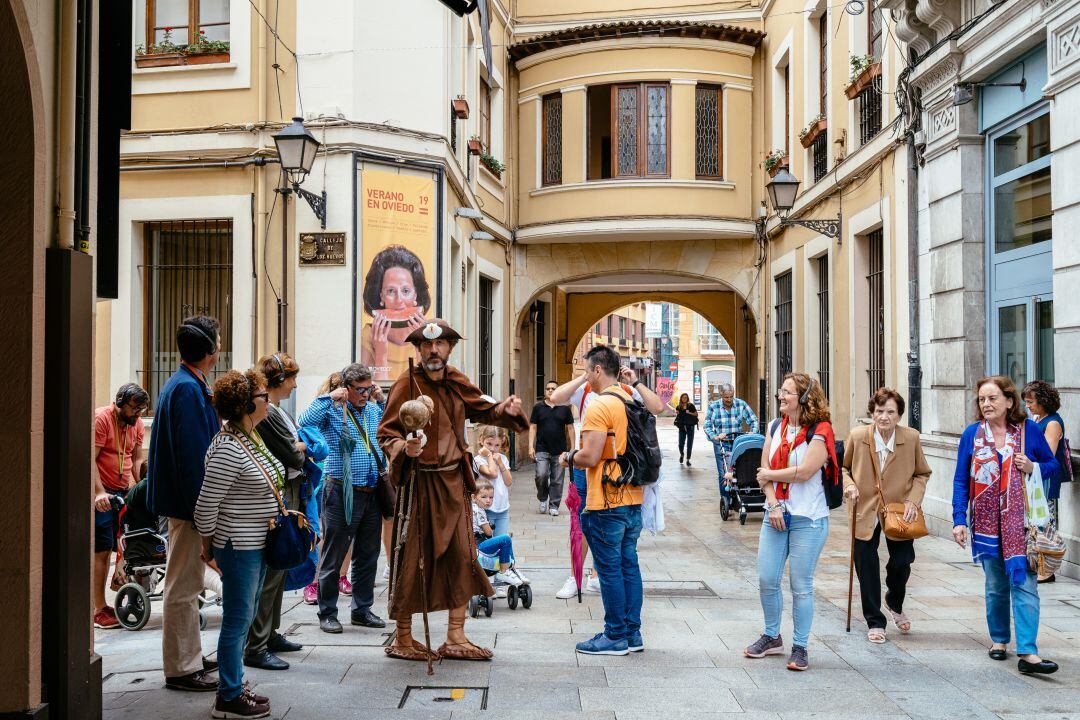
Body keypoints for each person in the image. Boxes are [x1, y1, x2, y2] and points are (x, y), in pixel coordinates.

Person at [378, 318, 529, 661]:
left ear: (449, 348)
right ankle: (403, 638)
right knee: (412, 557)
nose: (433, 350)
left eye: (441, 344)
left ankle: (456, 636)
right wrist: (405, 448)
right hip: (420, 485)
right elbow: (386, 434)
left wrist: (507, 410)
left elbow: (486, 408)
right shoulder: (407, 384)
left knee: (462, 555)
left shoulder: (457, 380)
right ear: (418, 349)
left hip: (453, 485)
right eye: (427, 345)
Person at [952, 375, 1060, 675]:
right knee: (996, 586)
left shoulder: (1029, 432)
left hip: (1021, 525)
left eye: (992, 398)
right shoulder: (971, 435)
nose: (986, 404)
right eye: (982, 399)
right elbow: (961, 480)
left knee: (1024, 584)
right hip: (985, 525)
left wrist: (1033, 466)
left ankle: (1028, 652)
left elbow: (1053, 465)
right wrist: (959, 519)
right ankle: (999, 639)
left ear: (1009, 401)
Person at [195, 369, 280, 719]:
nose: (268, 400)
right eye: (262, 396)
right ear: (247, 405)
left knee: (243, 618)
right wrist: (210, 548)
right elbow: (204, 507)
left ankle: (235, 684)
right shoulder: (229, 447)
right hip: (239, 545)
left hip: (255, 543)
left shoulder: (249, 437)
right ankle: (227, 696)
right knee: (236, 620)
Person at [148, 316, 223, 692]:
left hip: (183, 505)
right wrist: (205, 512)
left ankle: (189, 655)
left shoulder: (185, 384)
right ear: (211, 349)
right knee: (181, 587)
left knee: (189, 584)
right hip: (188, 507)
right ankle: (181, 667)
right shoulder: (188, 390)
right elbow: (196, 459)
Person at [744, 373, 838, 672]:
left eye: (787, 393)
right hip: (776, 514)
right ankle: (772, 637)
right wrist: (771, 503)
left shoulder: (821, 430)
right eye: (781, 392)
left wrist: (769, 475)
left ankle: (800, 646)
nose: (781, 397)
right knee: (767, 578)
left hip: (808, 517)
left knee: (801, 585)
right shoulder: (774, 426)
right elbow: (764, 468)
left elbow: (806, 471)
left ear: (804, 398)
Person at [549, 364, 664, 600]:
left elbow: (657, 407)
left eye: (590, 368)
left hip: (618, 469)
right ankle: (576, 576)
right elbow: (556, 397)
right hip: (585, 466)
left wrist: (636, 382)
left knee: (609, 526)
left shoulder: (626, 392)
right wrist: (583, 377)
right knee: (581, 522)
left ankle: (596, 575)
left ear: (600, 369)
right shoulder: (586, 391)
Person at [559, 345, 647, 656]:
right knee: (628, 566)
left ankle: (614, 636)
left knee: (610, 570)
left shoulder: (599, 406)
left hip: (606, 499)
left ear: (597, 370)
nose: (585, 376)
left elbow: (591, 455)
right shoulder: (629, 398)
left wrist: (568, 456)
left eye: (586, 370)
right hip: (633, 495)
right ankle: (632, 634)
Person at [298, 363, 387, 635]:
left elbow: (388, 429)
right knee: (334, 554)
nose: (365, 393)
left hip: (372, 492)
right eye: (360, 389)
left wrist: (382, 401)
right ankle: (327, 613)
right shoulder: (333, 410)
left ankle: (361, 610)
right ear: (346, 389)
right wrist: (329, 397)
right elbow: (304, 420)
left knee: (368, 554)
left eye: (369, 388)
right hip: (340, 491)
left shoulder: (372, 410)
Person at [842, 388, 931, 643]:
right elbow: (844, 468)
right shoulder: (858, 436)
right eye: (879, 411)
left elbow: (922, 473)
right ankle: (875, 620)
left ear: (899, 415)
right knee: (866, 565)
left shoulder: (911, 438)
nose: (884, 417)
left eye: (890, 412)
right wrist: (848, 485)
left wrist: (914, 500)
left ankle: (894, 600)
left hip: (900, 510)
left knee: (902, 561)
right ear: (872, 412)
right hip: (864, 508)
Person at [243, 353, 306, 671]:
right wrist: (300, 448)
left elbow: (296, 447)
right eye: (292, 378)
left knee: (279, 568)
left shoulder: (275, 411)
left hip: (287, 492)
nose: (295, 384)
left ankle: (270, 633)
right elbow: (293, 455)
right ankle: (257, 642)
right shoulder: (267, 413)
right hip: (278, 495)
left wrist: (299, 447)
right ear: (279, 380)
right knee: (273, 568)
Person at [91, 383, 148, 629]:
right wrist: (99, 492)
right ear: (120, 402)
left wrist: (141, 487)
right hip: (102, 492)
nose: (138, 415)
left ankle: (122, 584)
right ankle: (99, 608)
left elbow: (136, 458)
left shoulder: (135, 425)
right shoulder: (102, 419)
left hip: (123, 490)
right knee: (102, 549)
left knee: (130, 540)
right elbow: (89, 458)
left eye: (142, 410)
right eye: (135, 409)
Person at [361, 245, 431, 382]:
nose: (399, 300)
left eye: (405, 291)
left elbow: (428, 389)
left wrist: (421, 348)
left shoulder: (430, 333)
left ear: (415, 295)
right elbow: (372, 395)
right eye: (391, 291)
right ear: (381, 297)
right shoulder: (368, 336)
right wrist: (381, 353)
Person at [1022, 380, 1068, 581]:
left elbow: (1047, 454)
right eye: (1026, 402)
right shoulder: (1038, 418)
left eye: (1031, 401)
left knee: (1046, 521)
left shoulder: (1053, 423)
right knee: (1036, 521)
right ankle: (1038, 563)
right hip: (1034, 478)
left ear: (1043, 400)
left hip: (1045, 479)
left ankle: (1047, 569)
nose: (1028, 406)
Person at [704, 383, 759, 495]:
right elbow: (707, 425)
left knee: (740, 469)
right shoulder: (713, 407)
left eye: (731, 396)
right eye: (726, 397)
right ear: (721, 395)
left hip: (738, 444)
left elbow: (754, 420)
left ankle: (738, 495)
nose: (729, 400)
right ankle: (725, 500)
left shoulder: (741, 404)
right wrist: (714, 436)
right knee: (723, 473)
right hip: (721, 444)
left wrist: (752, 433)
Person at [472, 480, 529, 589]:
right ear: (474, 497)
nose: (488, 501)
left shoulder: (473, 508)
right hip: (478, 546)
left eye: (491, 497)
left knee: (505, 541)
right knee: (505, 539)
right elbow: (488, 532)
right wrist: (489, 528)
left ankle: (511, 569)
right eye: (484, 497)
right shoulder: (478, 511)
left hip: (476, 544)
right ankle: (505, 571)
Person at [529, 380, 574, 515]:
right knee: (541, 475)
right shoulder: (538, 407)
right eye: (548, 388)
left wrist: (572, 448)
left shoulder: (565, 408)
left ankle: (554, 505)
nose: (550, 390)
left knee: (557, 480)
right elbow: (533, 427)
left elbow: (570, 428)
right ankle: (543, 498)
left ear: (558, 391)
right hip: (541, 448)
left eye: (553, 388)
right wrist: (530, 447)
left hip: (560, 449)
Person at [473, 426, 513, 535]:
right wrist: (490, 457)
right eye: (489, 444)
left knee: (501, 541)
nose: (492, 448)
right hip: (486, 508)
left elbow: (508, 482)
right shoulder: (478, 460)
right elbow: (493, 474)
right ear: (482, 440)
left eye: (497, 445)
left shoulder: (502, 459)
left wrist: (500, 463)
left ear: (502, 442)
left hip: (503, 508)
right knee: (490, 542)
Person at [674, 393, 698, 466]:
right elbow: (678, 417)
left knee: (689, 444)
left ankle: (688, 459)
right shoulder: (678, 407)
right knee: (681, 443)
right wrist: (677, 413)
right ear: (681, 398)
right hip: (682, 427)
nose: (684, 399)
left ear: (687, 398)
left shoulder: (691, 406)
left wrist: (689, 412)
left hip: (690, 427)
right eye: (683, 397)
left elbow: (696, 414)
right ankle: (682, 454)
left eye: (686, 397)